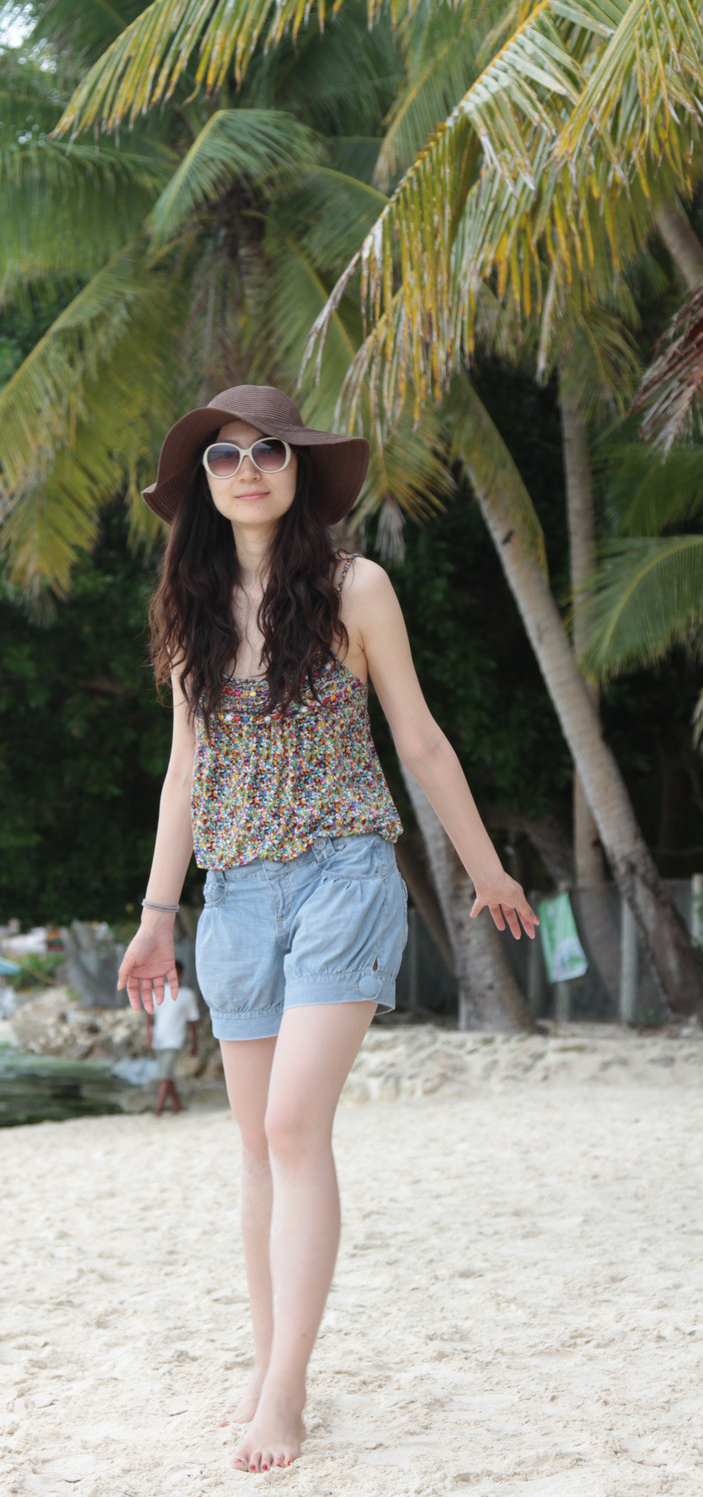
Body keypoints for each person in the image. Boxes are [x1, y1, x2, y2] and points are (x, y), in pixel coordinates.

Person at [116, 385, 538, 1474]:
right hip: (233, 896)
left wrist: (486, 867)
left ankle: (287, 1390)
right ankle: (269, 1364)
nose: (246, 469)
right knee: (256, 1147)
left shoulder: (356, 588)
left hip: (342, 877)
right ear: (203, 486)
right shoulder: (193, 610)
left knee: (294, 1126)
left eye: (267, 450)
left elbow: (420, 739)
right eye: (223, 458)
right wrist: (156, 919)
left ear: (298, 467)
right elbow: (183, 778)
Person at [143, 958, 199, 1115]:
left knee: (165, 1076)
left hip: (175, 1040)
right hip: (159, 1039)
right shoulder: (158, 992)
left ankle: (157, 1110)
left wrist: (194, 1043)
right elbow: (149, 1015)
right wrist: (149, 1035)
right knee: (166, 1076)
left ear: (181, 974)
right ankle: (177, 1106)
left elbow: (193, 1021)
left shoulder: (187, 995)